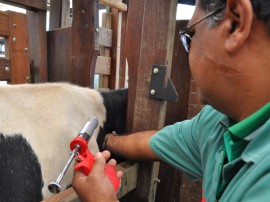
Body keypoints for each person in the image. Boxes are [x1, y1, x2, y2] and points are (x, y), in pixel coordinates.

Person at [72, 0, 270, 201]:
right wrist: (108, 141)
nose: (189, 53)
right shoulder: (218, 121)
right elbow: (152, 143)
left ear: (236, 23)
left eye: (191, 36)